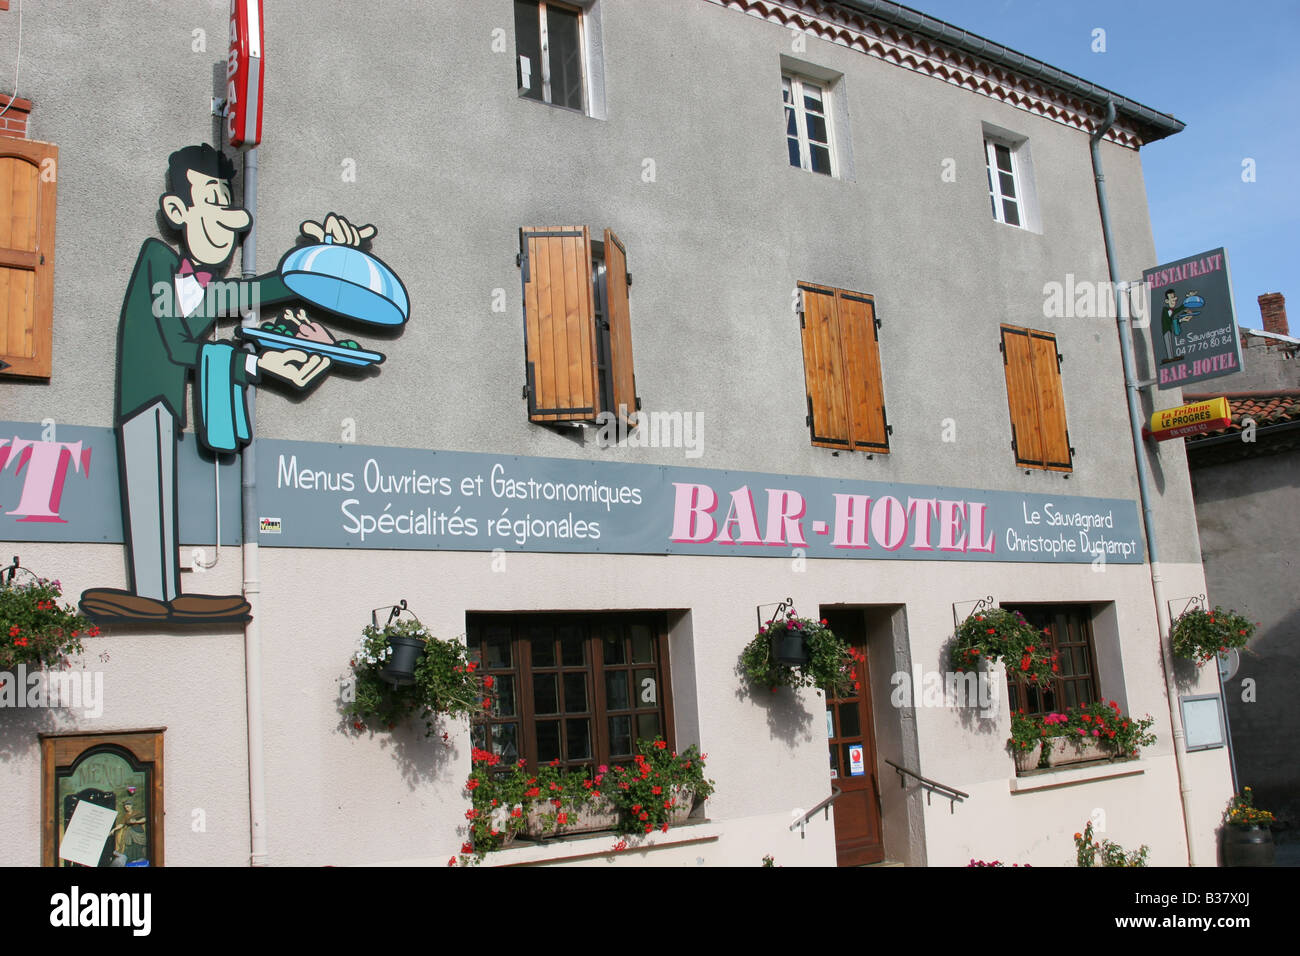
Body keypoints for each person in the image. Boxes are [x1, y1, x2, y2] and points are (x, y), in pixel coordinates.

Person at [80, 144, 372, 624]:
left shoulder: (214, 291)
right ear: (178, 211)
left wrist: (325, 259)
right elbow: (174, 345)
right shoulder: (157, 260)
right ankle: (153, 595)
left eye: (230, 205)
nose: (232, 221)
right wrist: (259, 368)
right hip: (142, 396)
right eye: (215, 201)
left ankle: (164, 594)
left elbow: (271, 288)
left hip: (170, 405)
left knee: (160, 488)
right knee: (148, 483)